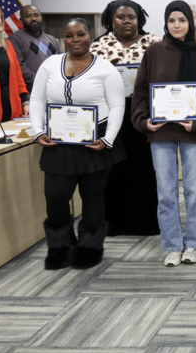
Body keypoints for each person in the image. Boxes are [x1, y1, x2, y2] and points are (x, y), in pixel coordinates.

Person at [131, 1, 196, 267]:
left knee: (194, 191)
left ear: (191, 22)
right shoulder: (155, 52)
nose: (177, 25)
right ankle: (172, 245)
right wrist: (144, 121)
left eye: (182, 20)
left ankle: (193, 244)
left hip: (194, 133)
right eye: (172, 21)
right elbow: (141, 92)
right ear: (166, 23)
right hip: (161, 133)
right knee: (166, 193)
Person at [30, 19, 125, 270]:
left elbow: (117, 105)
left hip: (95, 140)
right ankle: (60, 247)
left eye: (80, 34)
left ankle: (90, 247)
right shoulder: (50, 65)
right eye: (69, 35)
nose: (75, 39)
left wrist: (108, 138)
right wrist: (38, 131)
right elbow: (37, 99)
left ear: (89, 36)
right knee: (55, 196)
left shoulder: (105, 68)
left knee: (92, 196)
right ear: (63, 39)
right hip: (57, 142)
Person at [90, 0, 162, 236]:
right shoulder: (98, 47)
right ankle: (114, 222)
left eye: (131, 17)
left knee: (144, 170)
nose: (126, 21)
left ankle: (145, 222)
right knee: (114, 170)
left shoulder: (154, 44)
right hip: (111, 118)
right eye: (121, 17)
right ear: (111, 20)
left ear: (139, 19)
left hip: (144, 116)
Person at [8, 4, 61, 92]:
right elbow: (19, 67)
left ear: (41, 17)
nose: (33, 19)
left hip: (55, 88)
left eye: (36, 15)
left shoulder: (52, 39)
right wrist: (42, 81)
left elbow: (63, 61)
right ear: (21, 20)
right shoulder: (15, 39)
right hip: (31, 91)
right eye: (28, 16)